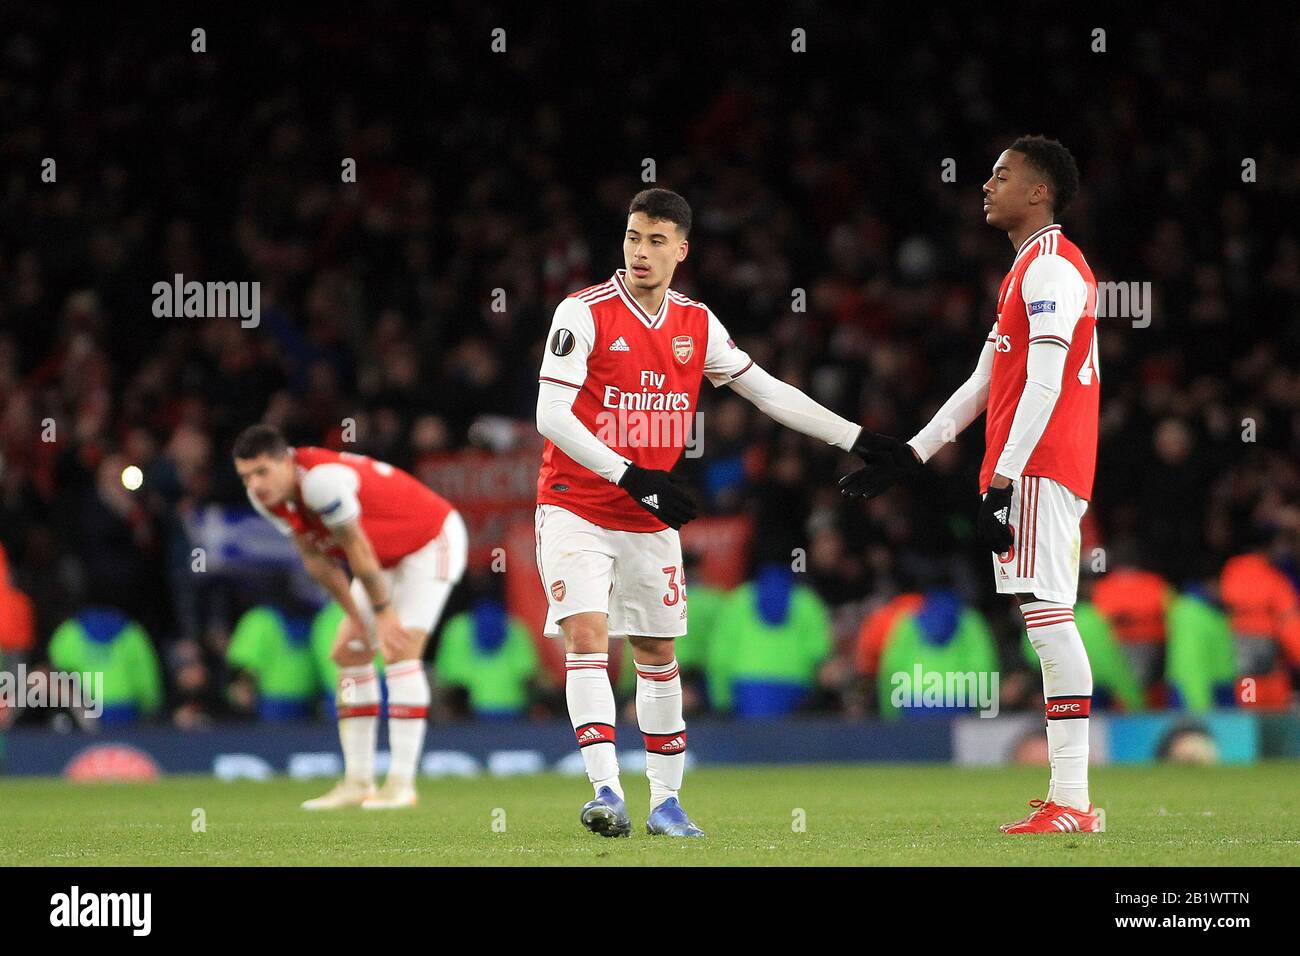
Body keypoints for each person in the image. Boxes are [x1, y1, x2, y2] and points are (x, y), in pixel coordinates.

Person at [534, 188, 867, 837]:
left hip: (648, 515)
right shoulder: (583, 312)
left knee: (657, 651)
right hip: (575, 504)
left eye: (657, 241)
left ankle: (665, 802)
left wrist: (856, 438)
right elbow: (550, 413)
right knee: (587, 637)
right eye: (634, 237)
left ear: (681, 250)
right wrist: (631, 474)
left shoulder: (696, 325)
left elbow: (767, 391)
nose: (641, 252)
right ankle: (606, 790)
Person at [842, 136, 1104, 834]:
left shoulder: (1050, 268)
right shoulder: (1025, 272)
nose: (985, 186)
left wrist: (1006, 479)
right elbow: (985, 382)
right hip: (1032, 467)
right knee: (1043, 620)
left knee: (1049, 621)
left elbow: (1045, 381)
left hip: (1041, 466)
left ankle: (1073, 800)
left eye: (1001, 175)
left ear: (1039, 192)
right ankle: (1070, 798)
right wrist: (911, 455)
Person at [234, 424, 467, 809]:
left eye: (262, 472)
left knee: (400, 650)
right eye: (246, 476)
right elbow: (315, 557)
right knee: (349, 652)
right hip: (383, 557)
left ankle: (401, 785)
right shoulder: (267, 498)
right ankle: (358, 782)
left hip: (431, 539)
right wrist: (355, 616)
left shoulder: (320, 483)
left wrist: (383, 613)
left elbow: (354, 545)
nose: (255, 484)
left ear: (285, 460)